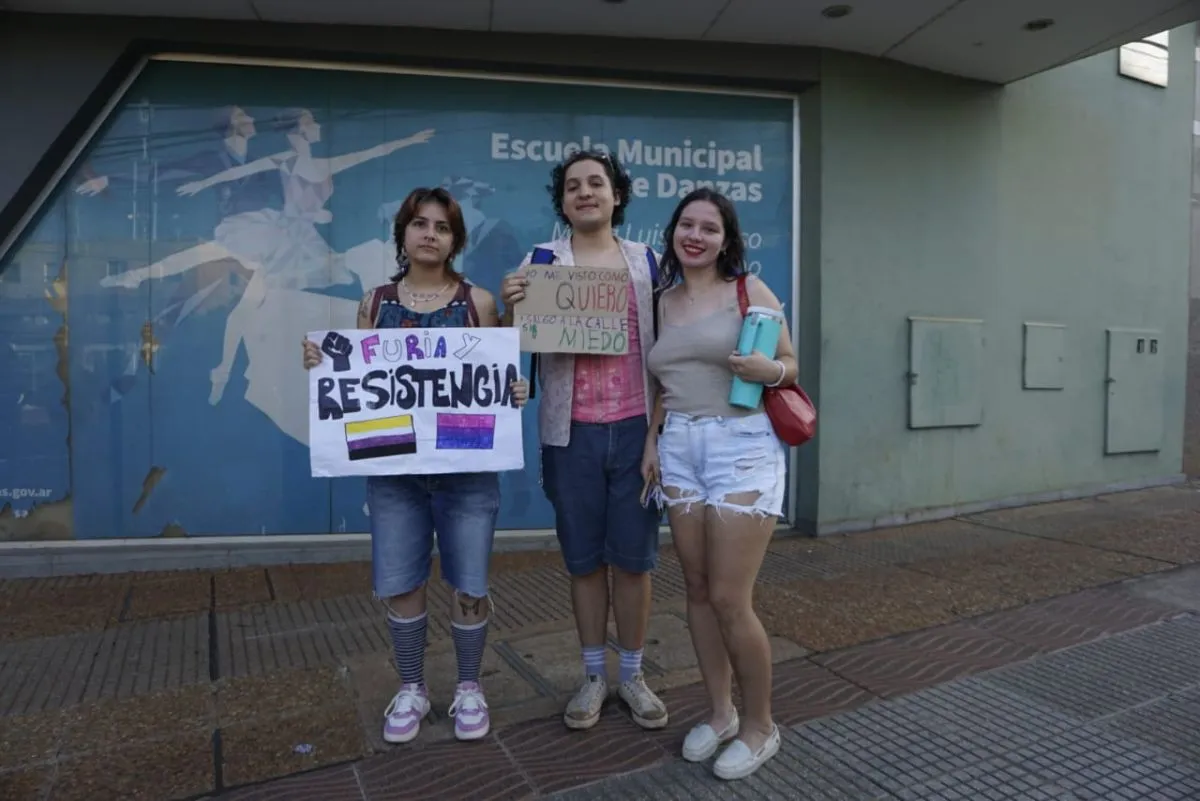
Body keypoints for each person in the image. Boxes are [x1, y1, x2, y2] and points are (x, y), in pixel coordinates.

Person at [302, 186, 528, 744]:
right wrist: (323, 362)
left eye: (442, 226)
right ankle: (412, 686)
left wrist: (513, 389)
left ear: (455, 239)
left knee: (470, 581)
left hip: (467, 466)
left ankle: (469, 685)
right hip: (395, 469)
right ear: (403, 233)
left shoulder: (479, 303)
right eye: (419, 223)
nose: (430, 234)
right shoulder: (374, 302)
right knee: (401, 581)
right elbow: (358, 381)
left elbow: (497, 373)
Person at [499, 150, 668, 732]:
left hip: (635, 430)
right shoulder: (541, 262)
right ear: (562, 201)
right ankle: (595, 675)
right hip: (568, 436)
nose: (585, 192)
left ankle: (634, 675)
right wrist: (508, 305)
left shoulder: (648, 263)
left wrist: (657, 435)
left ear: (617, 194)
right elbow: (507, 345)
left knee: (635, 561)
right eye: (573, 186)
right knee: (584, 561)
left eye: (597, 183)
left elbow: (669, 356)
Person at [643, 188, 794, 780]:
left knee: (732, 598)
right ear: (674, 232)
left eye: (709, 227)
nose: (696, 235)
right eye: (687, 224)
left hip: (742, 447)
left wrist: (769, 371)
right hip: (679, 446)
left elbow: (791, 365)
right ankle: (721, 713)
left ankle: (762, 726)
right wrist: (652, 441)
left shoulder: (749, 292)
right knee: (699, 590)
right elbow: (662, 383)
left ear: (727, 239)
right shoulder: (661, 299)